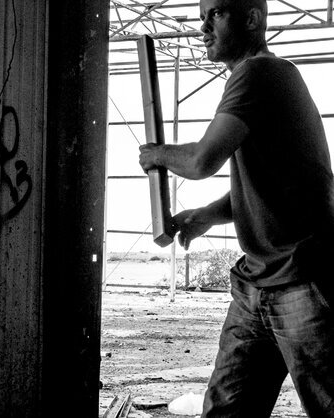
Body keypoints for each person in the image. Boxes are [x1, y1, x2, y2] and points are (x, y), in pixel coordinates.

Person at [138, 0, 334, 416]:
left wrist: (157, 154)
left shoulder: (259, 72)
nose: (203, 27)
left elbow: (201, 161)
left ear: (251, 18)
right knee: (227, 410)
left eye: (216, 14)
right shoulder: (267, 80)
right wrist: (205, 215)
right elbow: (267, 187)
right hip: (256, 284)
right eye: (201, 17)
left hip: (302, 280)